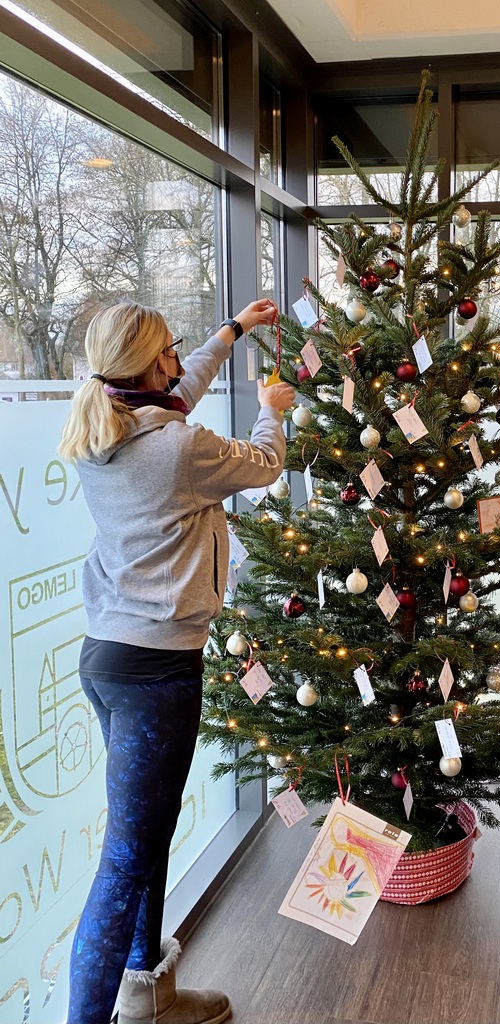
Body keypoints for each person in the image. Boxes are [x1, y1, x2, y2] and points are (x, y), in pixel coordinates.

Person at [58, 299, 295, 1024]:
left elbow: (181, 390)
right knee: (125, 864)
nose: (178, 361)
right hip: (156, 673)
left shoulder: (111, 421)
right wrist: (273, 408)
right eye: (171, 351)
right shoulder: (178, 451)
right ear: (146, 364)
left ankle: (147, 993)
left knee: (147, 834)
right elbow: (265, 465)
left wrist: (234, 331)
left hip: (108, 658)